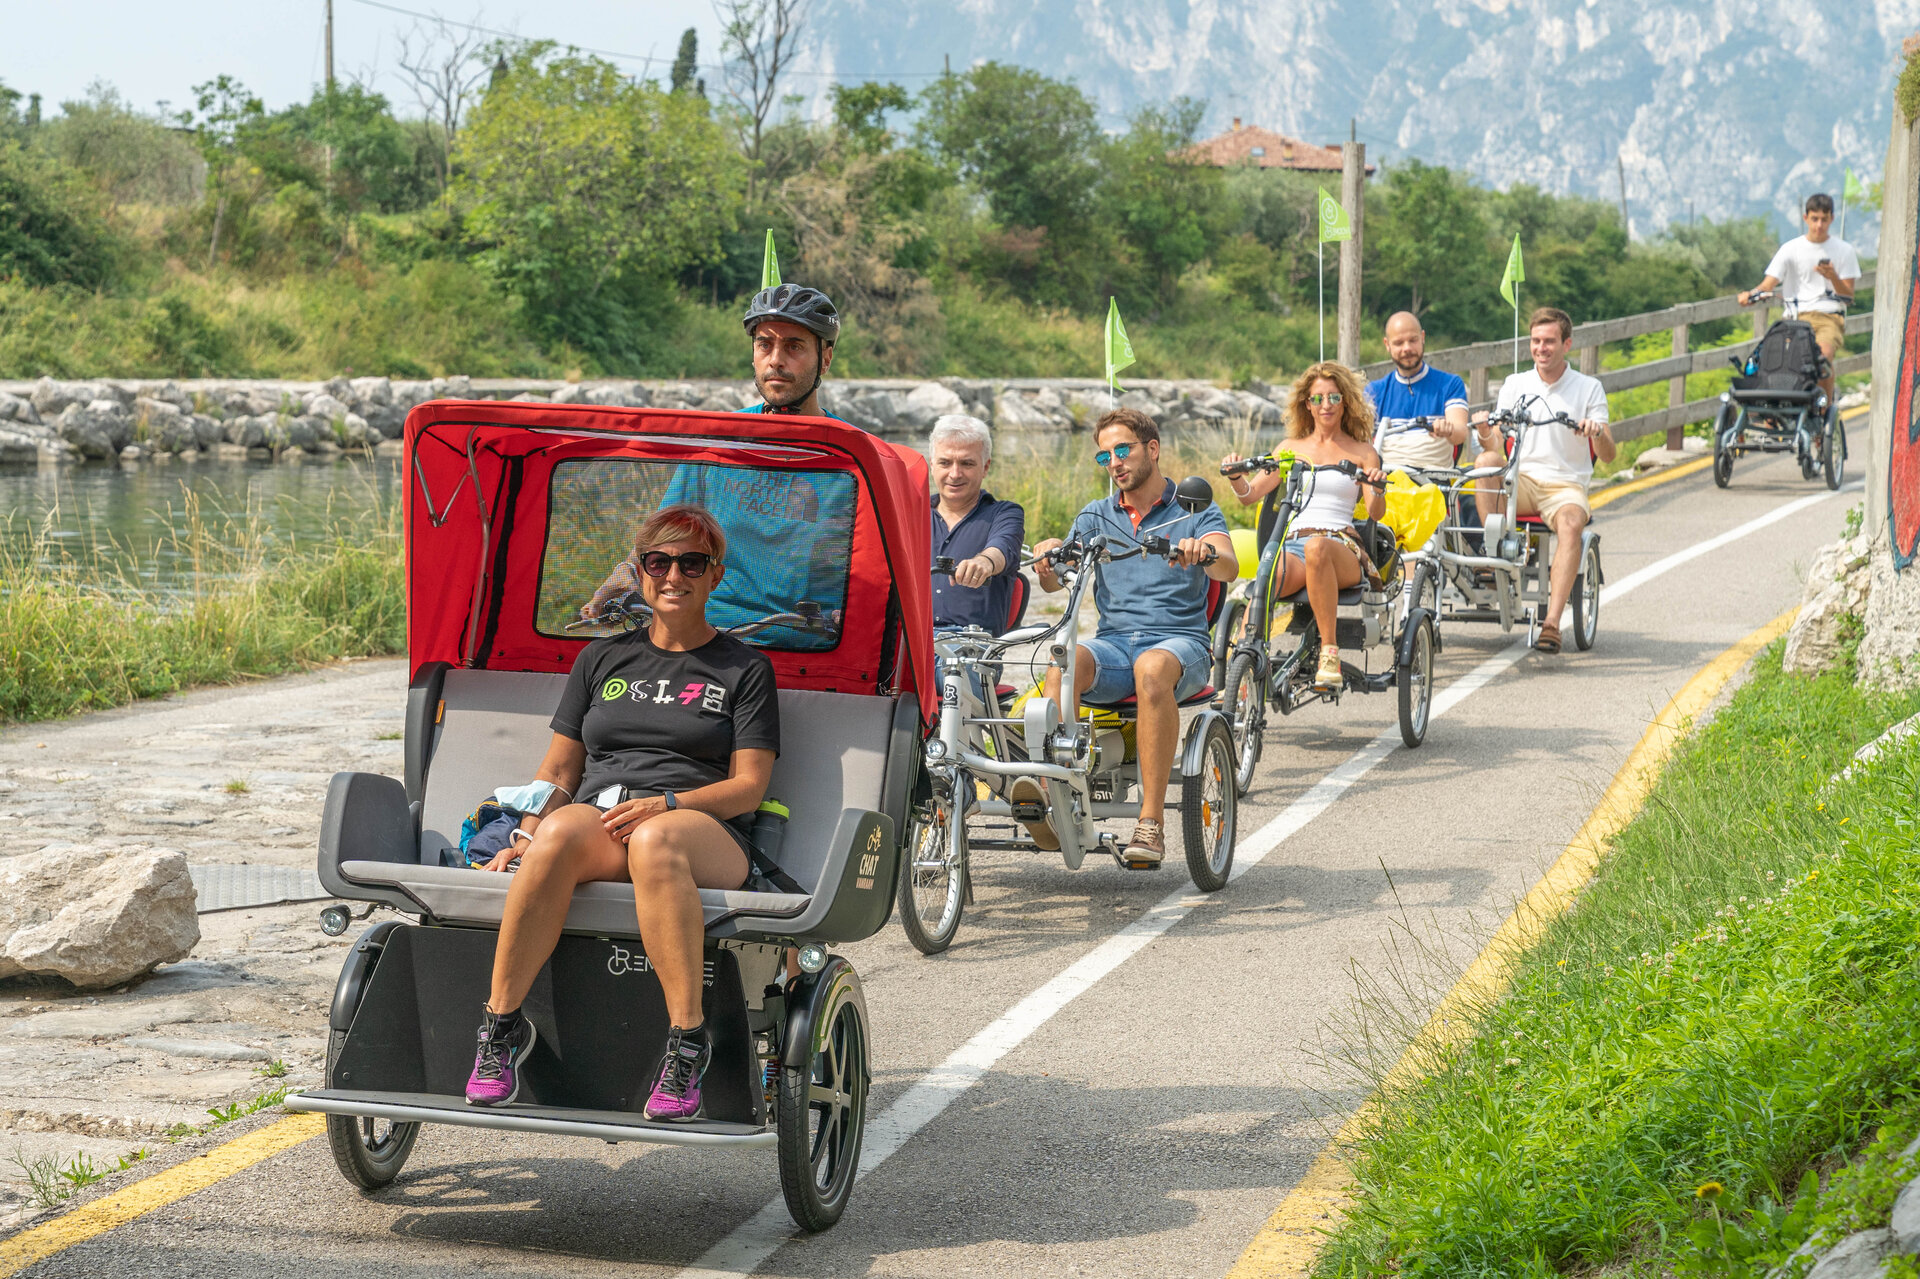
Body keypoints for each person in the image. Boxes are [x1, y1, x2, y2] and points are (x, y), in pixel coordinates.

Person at [467, 505, 781, 1122]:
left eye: (692, 563)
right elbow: (559, 774)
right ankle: (501, 1028)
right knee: (559, 835)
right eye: (659, 562)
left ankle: (688, 1041)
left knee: (656, 840)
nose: (674, 576)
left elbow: (748, 786)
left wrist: (668, 803)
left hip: (701, 828)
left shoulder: (744, 669)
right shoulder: (602, 660)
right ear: (639, 572)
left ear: (714, 576)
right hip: (609, 819)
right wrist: (526, 835)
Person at [583, 284, 856, 647]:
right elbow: (665, 530)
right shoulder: (719, 441)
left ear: (825, 358)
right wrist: (622, 576)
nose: (776, 359)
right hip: (705, 637)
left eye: (794, 346)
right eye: (764, 344)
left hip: (805, 641)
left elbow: (874, 567)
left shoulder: (852, 456)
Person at [1029, 408, 1236, 867]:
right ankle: (1051, 792)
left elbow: (1228, 563)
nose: (1115, 462)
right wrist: (1047, 557)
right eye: (1104, 456)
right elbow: (1053, 580)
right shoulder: (1095, 516)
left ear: (1152, 449)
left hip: (1181, 644)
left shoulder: (1194, 507)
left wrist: (1203, 552)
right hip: (1115, 645)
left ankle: (1150, 823)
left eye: (1123, 450)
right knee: (1063, 661)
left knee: (1152, 668)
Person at [1223, 362, 1388, 692]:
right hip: (1296, 545)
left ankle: (1329, 653)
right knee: (1268, 571)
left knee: (1317, 548)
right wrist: (1236, 478)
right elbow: (1250, 495)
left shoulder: (1363, 453)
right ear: (1306, 404)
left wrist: (1378, 487)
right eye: (1317, 399)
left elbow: (1375, 511)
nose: (1325, 405)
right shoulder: (1289, 449)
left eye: (1333, 397)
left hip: (1342, 546)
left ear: (1345, 402)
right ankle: (1239, 673)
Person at [1470, 307, 1616, 655]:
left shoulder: (1588, 388)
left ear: (1566, 344)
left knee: (1569, 526)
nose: (1541, 348)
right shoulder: (1515, 384)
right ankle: (1494, 562)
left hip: (1565, 485)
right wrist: (1485, 431)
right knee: (1485, 461)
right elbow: (1497, 451)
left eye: (1549, 341)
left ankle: (1551, 624)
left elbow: (1609, 455)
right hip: (1520, 479)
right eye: (1536, 341)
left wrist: (1597, 433)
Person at [1741, 192, 1860, 406]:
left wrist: (1832, 276)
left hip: (1828, 316)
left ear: (1832, 218)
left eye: (1824, 219)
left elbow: (1848, 295)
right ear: (1806, 218)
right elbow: (1768, 283)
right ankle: (1776, 410)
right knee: (1775, 358)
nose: (1819, 225)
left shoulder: (1844, 251)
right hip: (1794, 316)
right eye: (1814, 219)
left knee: (1822, 359)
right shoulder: (1790, 248)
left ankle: (1825, 410)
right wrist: (1751, 295)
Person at [929, 414, 1026, 633]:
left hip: (971, 649)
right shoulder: (909, 514)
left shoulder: (1005, 513)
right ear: (932, 465)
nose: (955, 474)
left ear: (985, 467)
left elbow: (1003, 547)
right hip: (912, 643)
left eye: (967, 463)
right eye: (945, 463)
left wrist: (984, 563)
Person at [1368, 312, 1471, 473]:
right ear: (1387, 345)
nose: (1407, 348)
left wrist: (1448, 429)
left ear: (1423, 337)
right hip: (1388, 484)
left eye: (1413, 340)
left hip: (1435, 483)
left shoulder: (1450, 384)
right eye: (1399, 343)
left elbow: (1460, 433)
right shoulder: (1374, 391)